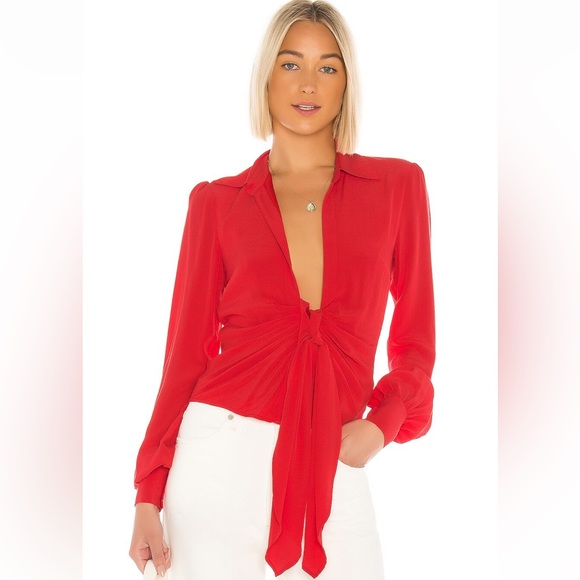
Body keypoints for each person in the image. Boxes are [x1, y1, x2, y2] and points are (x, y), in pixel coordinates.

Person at [129, 1, 435, 578]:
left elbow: (415, 341)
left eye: (328, 67)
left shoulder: (397, 187)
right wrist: (149, 494)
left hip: (331, 458)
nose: (307, 83)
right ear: (266, 77)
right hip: (218, 461)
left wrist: (382, 424)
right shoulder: (216, 203)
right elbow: (184, 357)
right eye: (291, 64)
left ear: (347, 83)